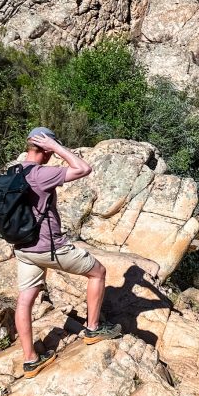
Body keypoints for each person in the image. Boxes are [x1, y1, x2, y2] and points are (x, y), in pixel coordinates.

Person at [14, 127, 121, 378]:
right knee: (98, 272)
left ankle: (30, 360)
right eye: (50, 149)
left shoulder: (14, 171)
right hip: (50, 248)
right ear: (46, 150)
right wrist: (59, 148)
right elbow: (83, 168)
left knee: (24, 301)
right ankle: (93, 329)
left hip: (23, 249)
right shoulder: (41, 173)